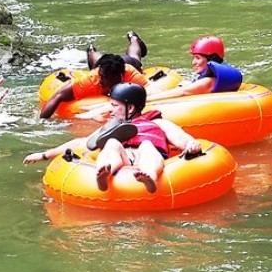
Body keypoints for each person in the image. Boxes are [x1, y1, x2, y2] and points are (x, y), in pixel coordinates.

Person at [26, 82, 200, 193]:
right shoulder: (111, 128)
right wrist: (44, 155)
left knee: (147, 145)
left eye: (115, 106)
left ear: (130, 108)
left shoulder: (157, 122)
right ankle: (103, 174)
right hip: (124, 157)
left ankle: (150, 177)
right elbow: (81, 143)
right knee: (111, 143)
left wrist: (191, 145)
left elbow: (180, 137)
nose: (111, 110)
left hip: (148, 156)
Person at [39, 53, 162, 119]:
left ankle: (135, 40)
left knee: (134, 57)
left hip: (127, 61)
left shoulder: (130, 75)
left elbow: (153, 92)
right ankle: (91, 52)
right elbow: (59, 95)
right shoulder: (92, 79)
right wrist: (42, 122)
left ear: (118, 77)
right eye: (101, 75)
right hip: (105, 65)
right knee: (96, 62)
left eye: (105, 78)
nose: (101, 80)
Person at [146, 35, 242, 102]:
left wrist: (145, 101)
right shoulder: (211, 78)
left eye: (198, 58)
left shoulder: (209, 81)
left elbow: (183, 92)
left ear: (212, 59)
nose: (193, 63)